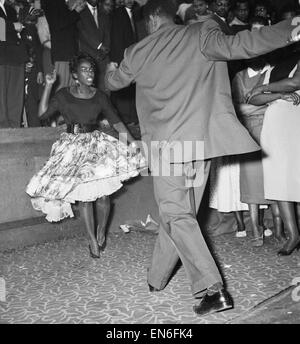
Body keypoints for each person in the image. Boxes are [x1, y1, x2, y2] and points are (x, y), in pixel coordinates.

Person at [105, 0, 300, 316]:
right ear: (172, 16)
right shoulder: (201, 33)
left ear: (151, 19)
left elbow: (113, 83)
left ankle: (213, 289)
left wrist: (111, 69)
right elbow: (243, 44)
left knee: (175, 214)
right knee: (182, 216)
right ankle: (157, 278)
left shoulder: (138, 50)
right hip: (198, 148)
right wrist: (290, 30)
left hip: (168, 149)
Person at [26, 53, 145, 258]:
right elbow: (42, 114)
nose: (90, 72)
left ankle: (101, 231)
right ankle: (91, 239)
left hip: (95, 144)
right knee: (85, 198)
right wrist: (48, 85)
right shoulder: (63, 95)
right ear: (74, 75)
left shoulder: (100, 96)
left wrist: (133, 143)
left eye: (91, 69)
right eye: (84, 69)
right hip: (72, 147)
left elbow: (116, 122)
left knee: (104, 195)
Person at [247, 58, 300, 256]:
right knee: (279, 180)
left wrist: (266, 88)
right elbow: (252, 98)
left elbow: (296, 82)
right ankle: (294, 235)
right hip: (275, 126)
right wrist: (279, 94)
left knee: (297, 175)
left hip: (295, 121)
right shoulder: (272, 69)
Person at [0, 0, 28, 127]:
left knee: (16, 97)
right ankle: (4, 130)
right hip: (2, 58)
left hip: (16, 57)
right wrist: (12, 26)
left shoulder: (9, 8)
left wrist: (25, 56)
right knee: (2, 97)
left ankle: (15, 128)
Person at [77, 0, 111, 93]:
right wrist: (100, 47)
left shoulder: (103, 12)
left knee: (106, 90)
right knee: (90, 90)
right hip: (88, 56)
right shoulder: (80, 12)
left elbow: (108, 33)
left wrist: (105, 49)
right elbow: (84, 33)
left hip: (104, 57)